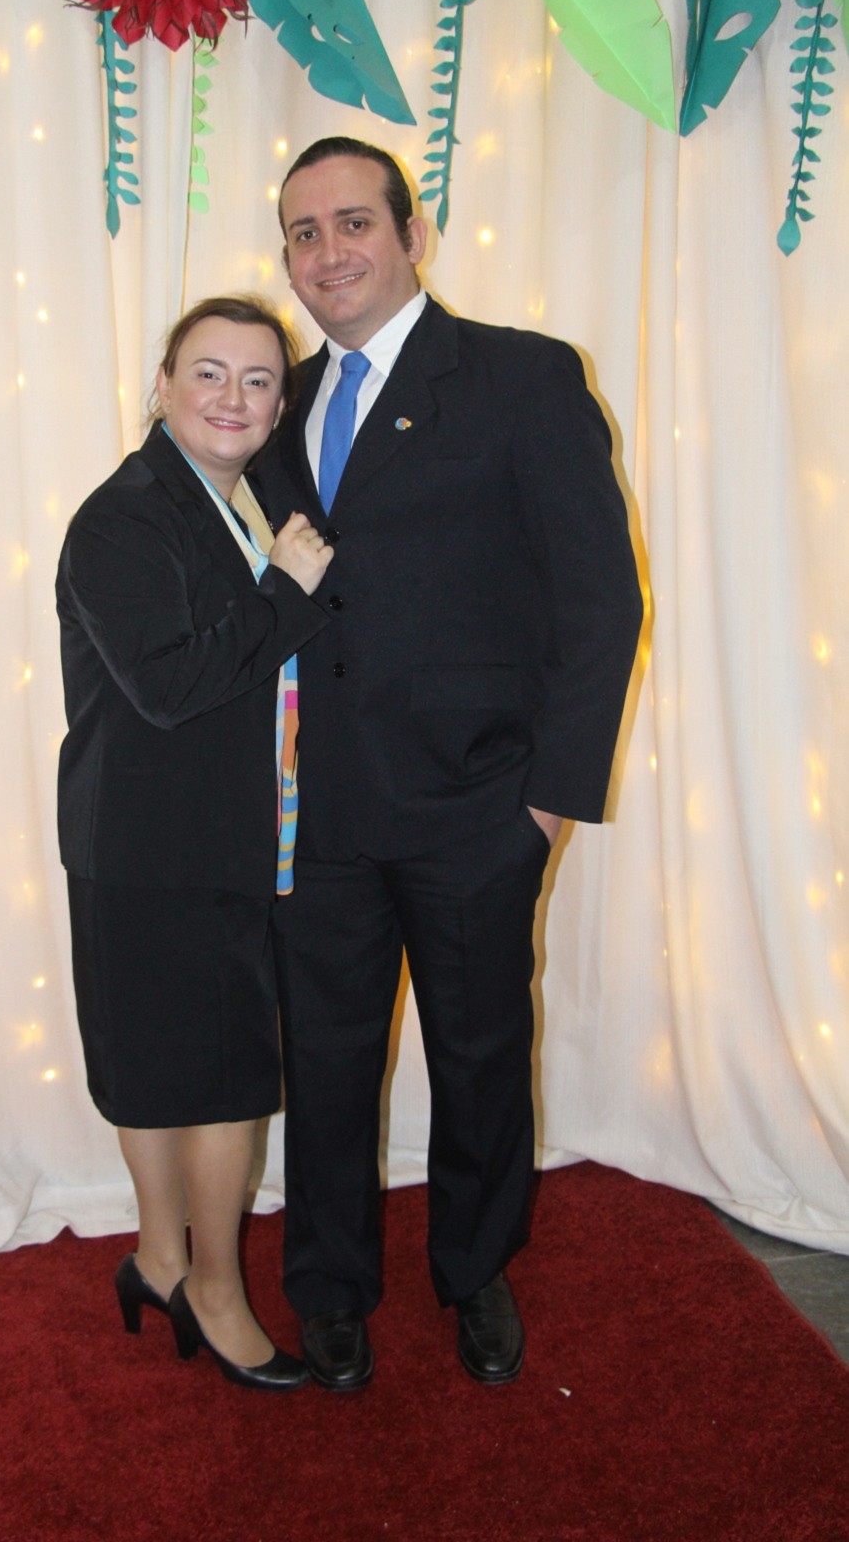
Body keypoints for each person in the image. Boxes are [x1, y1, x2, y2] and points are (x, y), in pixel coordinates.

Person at [255, 137, 644, 1390]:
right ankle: (329, 1287)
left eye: (353, 222)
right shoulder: (274, 406)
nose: (329, 252)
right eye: (304, 232)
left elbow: (599, 600)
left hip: (476, 805)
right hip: (317, 814)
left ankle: (474, 1269)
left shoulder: (523, 378)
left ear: (411, 236)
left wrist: (545, 804)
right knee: (324, 1062)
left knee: (478, 1056)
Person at [56, 294, 333, 1391]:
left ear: (278, 407)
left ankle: (161, 1261)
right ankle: (212, 1291)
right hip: (156, 849)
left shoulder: (233, 502)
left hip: (201, 839)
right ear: (162, 386)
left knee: (177, 1072)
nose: (233, 397)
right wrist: (287, 593)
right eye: (208, 373)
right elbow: (169, 686)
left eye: (258, 380)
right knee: (211, 1083)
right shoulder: (124, 517)